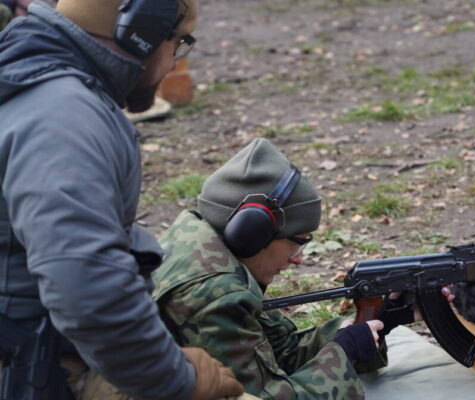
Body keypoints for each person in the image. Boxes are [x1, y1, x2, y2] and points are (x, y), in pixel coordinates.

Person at [0, 1, 244, 399]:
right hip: (33, 368)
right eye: (179, 43)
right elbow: (87, 289)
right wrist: (177, 381)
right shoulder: (62, 117)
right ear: (142, 30)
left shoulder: (36, 84)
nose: (173, 63)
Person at [152, 138, 421, 399]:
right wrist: (344, 353)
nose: (299, 259)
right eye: (298, 241)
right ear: (252, 232)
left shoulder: (200, 244)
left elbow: (277, 352)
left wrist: (380, 323)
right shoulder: (216, 292)